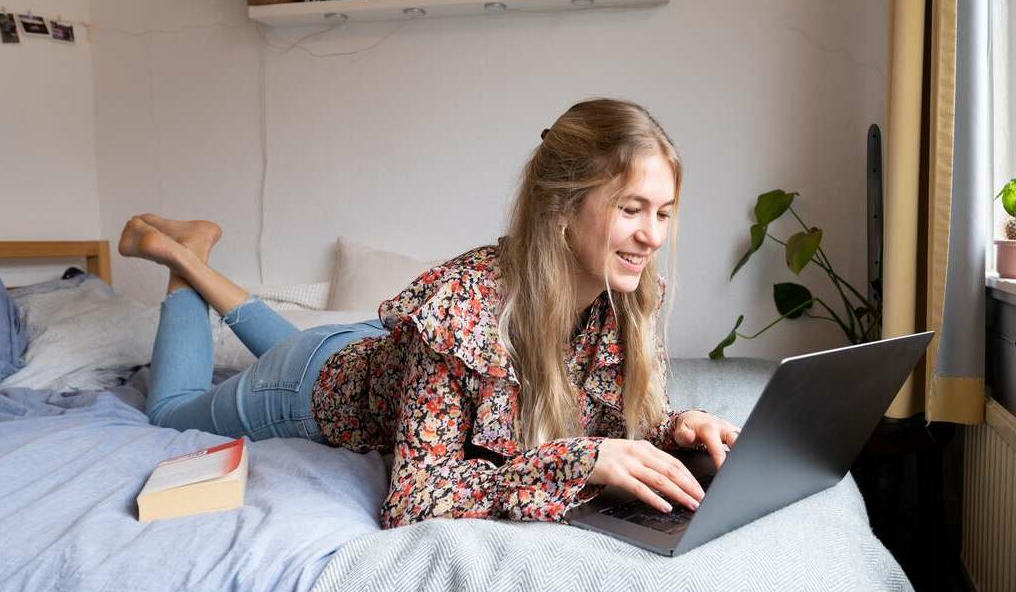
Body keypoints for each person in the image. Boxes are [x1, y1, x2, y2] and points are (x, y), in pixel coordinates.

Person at [118, 98, 740, 529]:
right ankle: (184, 261)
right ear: (562, 207)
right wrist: (578, 462)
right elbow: (415, 498)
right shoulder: (468, 304)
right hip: (308, 387)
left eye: (663, 213)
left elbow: (603, 410)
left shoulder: (624, 294)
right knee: (171, 413)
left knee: (296, 343)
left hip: (370, 352)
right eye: (632, 209)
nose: (653, 236)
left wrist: (677, 427)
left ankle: (197, 261)